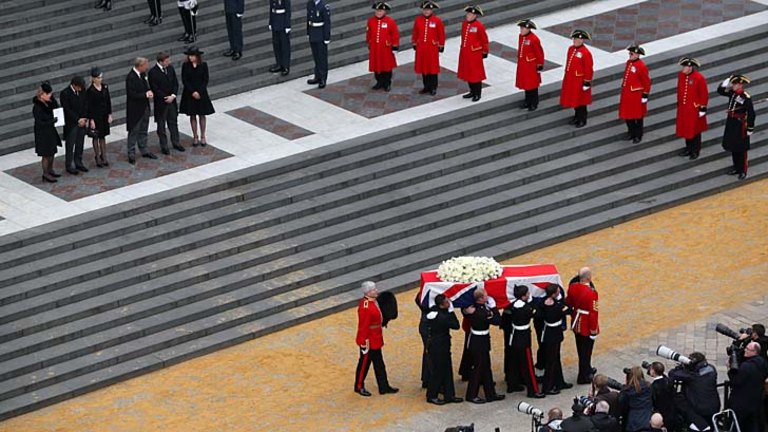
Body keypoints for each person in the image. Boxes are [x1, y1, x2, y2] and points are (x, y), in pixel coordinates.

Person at [354, 281, 399, 397]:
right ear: (368, 292)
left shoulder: (373, 302)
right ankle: (359, 386)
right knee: (364, 364)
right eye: (374, 290)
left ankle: (383, 386)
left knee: (379, 364)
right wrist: (363, 342)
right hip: (368, 340)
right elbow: (363, 326)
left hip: (375, 337)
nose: (376, 291)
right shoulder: (365, 306)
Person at [503, 284, 544, 398]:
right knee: (528, 365)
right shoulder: (526, 308)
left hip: (514, 336)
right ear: (523, 296)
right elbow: (538, 314)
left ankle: (512, 384)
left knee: (513, 361)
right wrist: (532, 303)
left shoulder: (511, 306)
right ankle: (533, 390)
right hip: (523, 337)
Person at [464, 288, 504, 404]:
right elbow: (498, 321)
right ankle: (471, 395)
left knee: (486, 368)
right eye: (486, 295)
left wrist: (465, 311)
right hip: (479, 342)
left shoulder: (472, 308)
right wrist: (494, 308)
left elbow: (464, 310)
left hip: (480, 341)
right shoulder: (483, 312)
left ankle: (490, 393)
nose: (488, 296)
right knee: (478, 368)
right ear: (481, 299)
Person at [425, 294, 463, 405]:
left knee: (446, 370)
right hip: (439, 346)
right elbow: (456, 325)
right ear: (442, 304)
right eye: (447, 302)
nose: (449, 303)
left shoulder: (433, 313)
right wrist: (451, 311)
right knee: (438, 371)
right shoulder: (443, 317)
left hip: (438, 345)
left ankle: (449, 394)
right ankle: (431, 395)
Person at [717, 74, 756, 180]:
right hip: (732, 122)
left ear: (740, 85)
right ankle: (736, 167)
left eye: (734, 84)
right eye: (732, 83)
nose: (732, 85)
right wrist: (725, 82)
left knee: (741, 149)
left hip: (740, 124)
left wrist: (750, 128)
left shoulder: (745, 97)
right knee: (734, 146)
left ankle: (743, 170)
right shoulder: (732, 93)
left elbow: (751, 113)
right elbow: (720, 91)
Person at [668, 352, 720, 432]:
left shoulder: (692, 376)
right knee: (710, 426)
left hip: (699, 410)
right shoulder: (712, 369)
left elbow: (672, 373)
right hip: (714, 407)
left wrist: (682, 367)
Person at [567, 267, 599, 384]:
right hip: (586, 324)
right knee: (586, 352)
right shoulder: (592, 293)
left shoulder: (572, 287)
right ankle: (583, 375)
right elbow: (593, 313)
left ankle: (587, 369)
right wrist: (593, 330)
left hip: (577, 321)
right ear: (588, 277)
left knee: (580, 349)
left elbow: (569, 302)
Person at [149, 52, 184, 155]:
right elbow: (155, 88)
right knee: (161, 125)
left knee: (173, 122)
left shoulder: (170, 69)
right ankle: (164, 146)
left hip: (171, 101)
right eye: (166, 61)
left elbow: (175, 83)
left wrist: (173, 96)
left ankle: (176, 142)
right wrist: (165, 97)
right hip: (161, 103)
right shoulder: (153, 72)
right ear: (160, 62)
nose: (169, 62)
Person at [728, 342, 768, 432]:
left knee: (737, 426)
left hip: (741, 404)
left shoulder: (746, 367)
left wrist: (729, 370)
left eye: (747, 349)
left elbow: (735, 381)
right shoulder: (763, 363)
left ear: (754, 352)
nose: (745, 350)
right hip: (755, 402)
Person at [539, 283, 572, 395]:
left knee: (555, 358)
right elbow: (568, 309)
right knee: (551, 361)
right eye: (557, 291)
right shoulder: (556, 307)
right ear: (553, 294)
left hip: (550, 333)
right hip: (553, 334)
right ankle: (547, 387)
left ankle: (559, 382)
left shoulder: (545, 303)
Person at [180, 46, 215, 147]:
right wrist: (193, 92)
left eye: (192, 55)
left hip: (201, 93)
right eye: (189, 56)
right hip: (189, 93)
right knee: (192, 115)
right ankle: (195, 136)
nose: (190, 57)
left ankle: (203, 136)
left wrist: (199, 91)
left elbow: (205, 79)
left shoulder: (203, 65)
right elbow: (184, 80)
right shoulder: (185, 65)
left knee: (202, 115)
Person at [125, 57, 157, 165]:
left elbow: (146, 86)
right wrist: (145, 95)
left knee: (144, 129)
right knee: (134, 131)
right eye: (145, 65)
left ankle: (144, 149)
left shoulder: (143, 75)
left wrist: (148, 90)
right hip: (135, 109)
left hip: (144, 107)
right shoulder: (131, 77)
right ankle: (131, 153)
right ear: (140, 66)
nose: (147, 67)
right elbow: (132, 94)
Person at [675, 57, 708, 160]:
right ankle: (688, 148)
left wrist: (702, 108)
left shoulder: (699, 78)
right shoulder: (681, 75)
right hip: (684, 108)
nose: (682, 68)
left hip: (694, 109)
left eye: (684, 66)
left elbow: (704, 94)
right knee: (686, 129)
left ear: (690, 67)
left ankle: (695, 150)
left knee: (695, 131)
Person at [560, 30, 594, 128]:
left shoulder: (585, 53)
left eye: (579, 39)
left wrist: (587, 82)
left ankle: (582, 119)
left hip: (580, 81)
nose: (576, 41)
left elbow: (588, 68)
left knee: (581, 102)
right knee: (574, 100)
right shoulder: (571, 49)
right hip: (571, 79)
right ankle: (576, 117)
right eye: (575, 39)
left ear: (582, 40)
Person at [619, 45, 651, 143]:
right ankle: (631, 132)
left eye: (631, 53)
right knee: (627, 115)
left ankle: (638, 135)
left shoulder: (641, 66)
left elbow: (646, 82)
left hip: (636, 95)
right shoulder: (629, 63)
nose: (630, 55)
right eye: (629, 53)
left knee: (637, 116)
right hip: (627, 94)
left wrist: (645, 94)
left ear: (637, 55)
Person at [412, 1, 445, 96]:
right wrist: (414, 42)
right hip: (421, 48)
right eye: (425, 10)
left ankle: (433, 87)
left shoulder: (437, 21)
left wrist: (441, 45)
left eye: (429, 10)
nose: (426, 11)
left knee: (432, 68)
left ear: (432, 10)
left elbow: (441, 34)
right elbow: (415, 32)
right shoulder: (418, 20)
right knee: (424, 68)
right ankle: (426, 87)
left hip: (432, 48)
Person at [457, 5, 488, 102]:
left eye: (471, 14)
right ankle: (472, 91)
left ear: (475, 16)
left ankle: (477, 93)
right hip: (466, 53)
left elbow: (484, 40)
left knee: (476, 74)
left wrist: (485, 51)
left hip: (475, 54)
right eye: (468, 13)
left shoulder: (479, 26)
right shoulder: (465, 24)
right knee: (468, 73)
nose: (468, 15)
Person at [33, 82, 62, 183]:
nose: (50, 96)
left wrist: (52, 99)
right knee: (46, 154)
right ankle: (45, 173)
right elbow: (40, 122)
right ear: (42, 94)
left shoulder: (49, 102)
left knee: (52, 151)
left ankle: (50, 170)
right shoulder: (37, 107)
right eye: (48, 94)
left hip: (50, 131)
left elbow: (56, 107)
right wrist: (51, 121)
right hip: (42, 133)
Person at [366, 2, 399, 92]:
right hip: (375, 48)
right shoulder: (371, 21)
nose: (378, 13)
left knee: (386, 66)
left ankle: (387, 83)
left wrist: (395, 46)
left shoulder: (390, 21)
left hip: (386, 49)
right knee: (376, 65)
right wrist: (369, 43)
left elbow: (395, 35)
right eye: (377, 11)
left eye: (380, 11)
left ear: (384, 11)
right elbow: (369, 34)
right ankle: (379, 82)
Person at [84, 67, 113, 167]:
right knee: (96, 136)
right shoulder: (90, 91)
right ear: (94, 78)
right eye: (99, 77)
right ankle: (97, 156)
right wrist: (91, 119)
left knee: (103, 136)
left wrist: (109, 114)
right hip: (95, 117)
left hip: (104, 115)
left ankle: (104, 156)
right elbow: (89, 106)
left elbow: (108, 101)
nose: (101, 79)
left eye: (101, 77)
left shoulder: (105, 87)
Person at [60, 76, 89, 175]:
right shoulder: (65, 93)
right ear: (74, 85)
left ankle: (78, 162)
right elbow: (67, 109)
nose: (81, 89)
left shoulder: (82, 91)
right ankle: (69, 164)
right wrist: (77, 120)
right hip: (71, 124)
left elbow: (86, 104)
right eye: (79, 88)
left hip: (82, 122)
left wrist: (84, 118)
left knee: (80, 143)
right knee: (70, 144)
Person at [515, 19, 544, 111]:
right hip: (523, 65)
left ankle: (534, 103)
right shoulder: (521, 37)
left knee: (532, 85)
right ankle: (527, 101)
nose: (521, 30)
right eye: (521, 28)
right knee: (526, 84)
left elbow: (539, 53)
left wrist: (539, 65)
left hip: (531, 66)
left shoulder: (534, 39)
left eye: (523, 28)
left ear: (528, 29)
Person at [307, 0, 331, 89]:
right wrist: (308, 32)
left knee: (322, 58)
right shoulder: (310, 4)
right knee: (316, 56)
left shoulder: (324, 6)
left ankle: (323, 79)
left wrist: (326, 37)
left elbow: (327, 23)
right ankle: (317, 76)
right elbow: (308, 19)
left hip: (321, 35)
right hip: (313, 33)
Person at [620, 367, 653, 432]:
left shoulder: (627, 390)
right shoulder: (648, 387)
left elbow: (622, 405)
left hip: (633, 422)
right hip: (647, 419)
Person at [648, 362, 678, 432]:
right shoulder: (667, 381)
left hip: (661, 416)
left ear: (653, 371)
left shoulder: (654, 387)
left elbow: (653, 402)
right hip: (672, 413)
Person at [268, 0, 292, 75]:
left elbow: (288, 10)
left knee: (284, 46)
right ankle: (279, 64)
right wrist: (270, 22)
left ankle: (285, 66)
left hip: (282, 23)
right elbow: (271, 9)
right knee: (276, 45)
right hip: (275, 22)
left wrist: (287, 25)